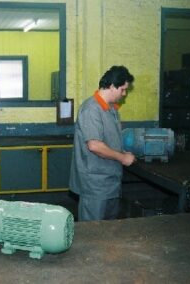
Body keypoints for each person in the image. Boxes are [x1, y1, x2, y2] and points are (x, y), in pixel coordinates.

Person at [69, 65, 135, 222]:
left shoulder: (111, 109)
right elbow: (95, 145)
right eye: (123, 89)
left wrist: (123, 152)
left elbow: (111, 140)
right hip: (95, 185)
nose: (124, 94)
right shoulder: (91, 109)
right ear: (112, 86)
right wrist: (122, 158)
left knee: (108, 230)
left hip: (110, 181)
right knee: (93, 231)